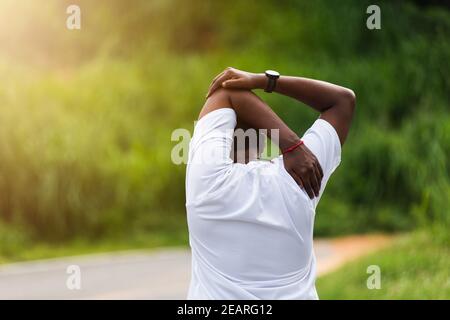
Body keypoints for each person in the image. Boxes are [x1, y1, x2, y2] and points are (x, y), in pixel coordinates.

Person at [185, 67, 356, 299]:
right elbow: (342, 100)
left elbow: (224, 94)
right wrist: (265, 82)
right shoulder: (302, 175)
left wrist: (291, 145)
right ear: (263, 140)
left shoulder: (205, 182)